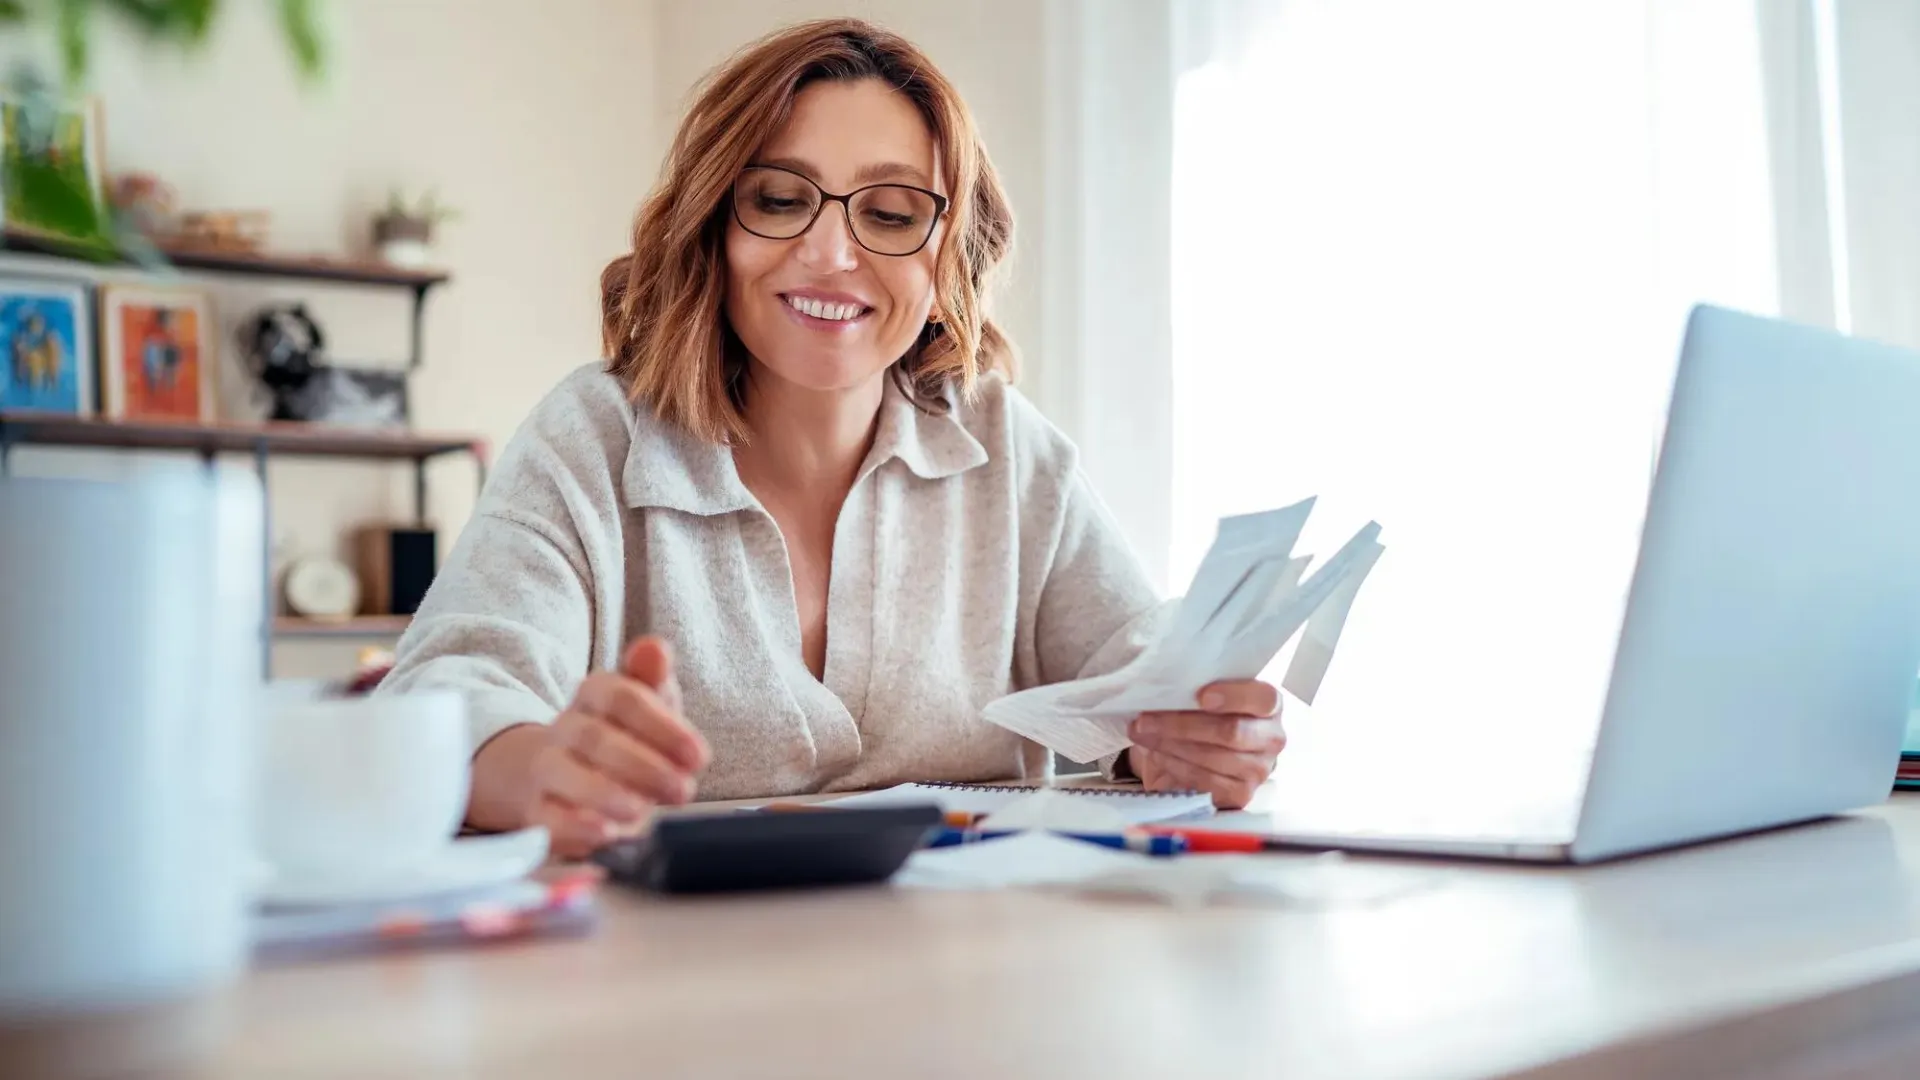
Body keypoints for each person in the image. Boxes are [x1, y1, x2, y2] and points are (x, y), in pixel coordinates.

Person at [379, 18, 1287, 858]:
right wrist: (540, 767)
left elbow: (1141, 681)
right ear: (714, 228)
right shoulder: (594, 439)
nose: (830, 253)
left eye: (890, 215)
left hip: (970, 985)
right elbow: (446, 696)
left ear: (948, 259)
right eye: (779, 199)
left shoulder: (1007, 449)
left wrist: (1192, 744)